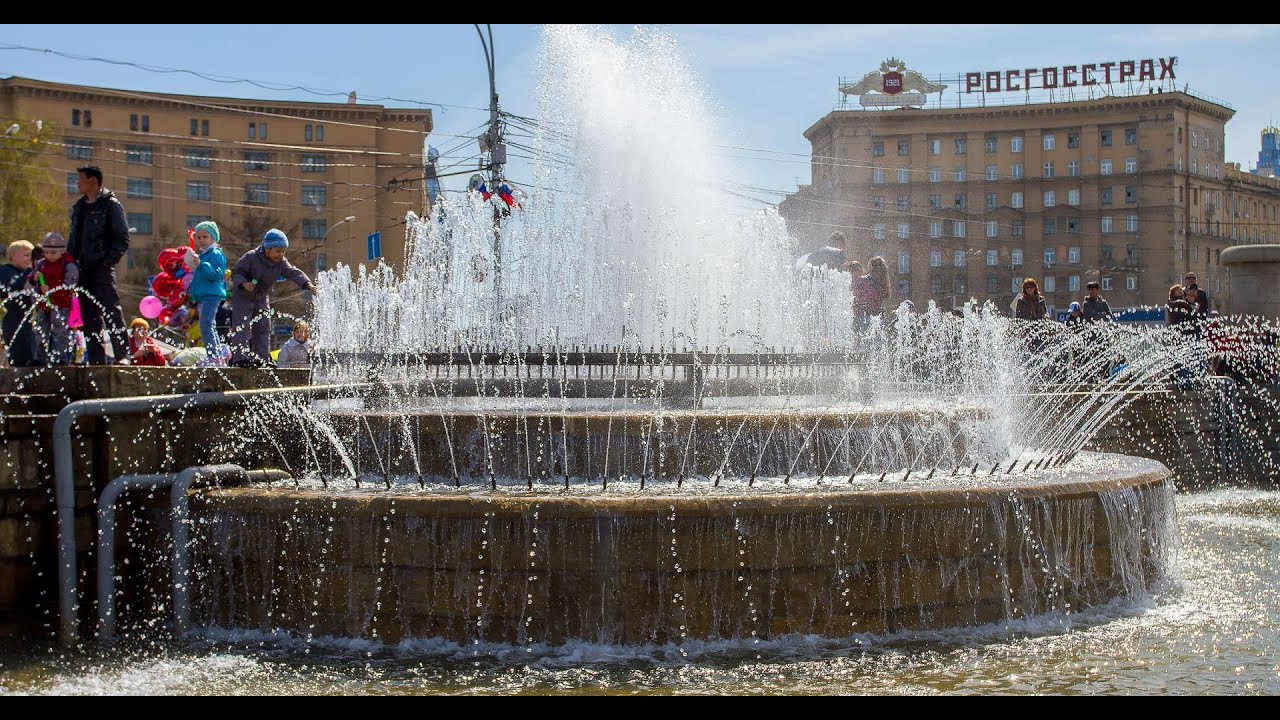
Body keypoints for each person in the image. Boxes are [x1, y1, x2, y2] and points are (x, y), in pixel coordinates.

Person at [67, 165, 130, 365]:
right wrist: (70, 263)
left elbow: (122, 238)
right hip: (82, 269)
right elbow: (73, 241)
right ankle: (96, 360)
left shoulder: (110, 205)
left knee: (111, 311)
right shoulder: (79, 207)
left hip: (101, 269)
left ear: (93, 181)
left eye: (81, 179)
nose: (77, 183)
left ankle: (122, 356)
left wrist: (107, 262)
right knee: (89, 318)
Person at [229, 228, 317, 367]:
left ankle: (262, 359)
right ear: (267, 248)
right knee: (242, 326)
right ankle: (240, 359)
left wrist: (308, 284)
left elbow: (293, 272)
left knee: (263, 326)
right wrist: (244, 283)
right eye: (277, 251)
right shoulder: (251, 257)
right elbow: (236, 272)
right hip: (243, 296)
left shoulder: (281, 262)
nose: (281, 254)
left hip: (262, 296)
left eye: (283, 251)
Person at [31, 231, 79, 365]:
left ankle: (60, 358)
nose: (49, 256)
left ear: (61, 252)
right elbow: (32, 278)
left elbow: (70, 283)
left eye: (53, 253)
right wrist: (34, 279)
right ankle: (40, 358)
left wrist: (52, 289)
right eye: (46, 252)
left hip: (61, 304)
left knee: (60, 332)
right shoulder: (41, 264)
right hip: (44, 305)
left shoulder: (68, 265)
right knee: (41, 331)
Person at [185, 221, 228, 366]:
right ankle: (217, 355)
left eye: (205, 237)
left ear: (213, 238)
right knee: (209, 325)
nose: (201, 240)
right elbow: (201, 276)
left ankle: (214, 356)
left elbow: (215, 276)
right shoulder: (203, 255)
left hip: (211, 295)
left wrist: (201, 265)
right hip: (205, 295)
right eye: (199, 237)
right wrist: (192, 287)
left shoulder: (215, 254)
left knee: (205, 325)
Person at [0, 241, 39, 367]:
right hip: (14, 323)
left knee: (32, 360)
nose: (29, 260)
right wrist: (30, 273)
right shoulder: (5, 271)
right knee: (21, 362)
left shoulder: (27, 273)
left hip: (28, 322)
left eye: (31, 257)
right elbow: (12, 289)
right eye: (26, 255)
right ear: (12, 256)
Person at [852, 256, 890, 327]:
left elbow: (855, 297)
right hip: (875, 318)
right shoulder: (883, 283)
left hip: (865, 317)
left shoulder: (864, 281)